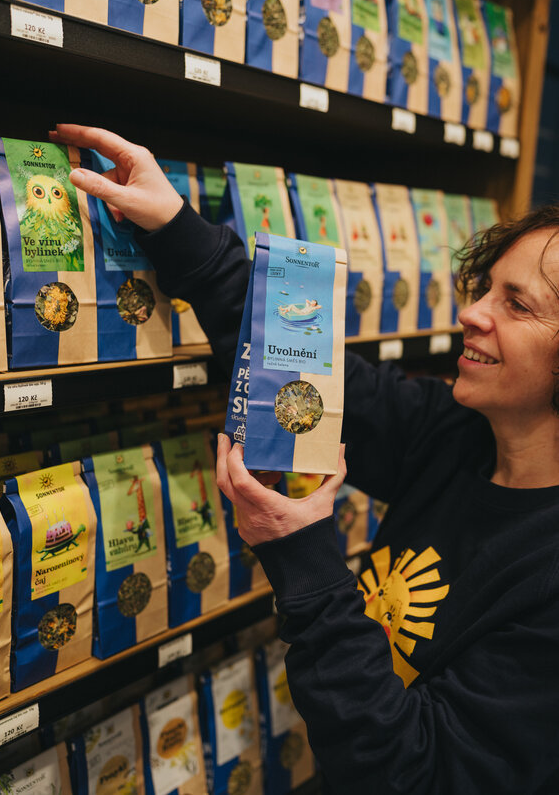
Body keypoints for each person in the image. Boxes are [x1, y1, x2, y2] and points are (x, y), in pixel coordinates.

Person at [50, 124, 559, 794]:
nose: (473, 313)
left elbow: (414, 776)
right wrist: (174, 224)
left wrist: (304, 558)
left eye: (516, 305)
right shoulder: (457, 433)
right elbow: (305, 377)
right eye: (486, 287)